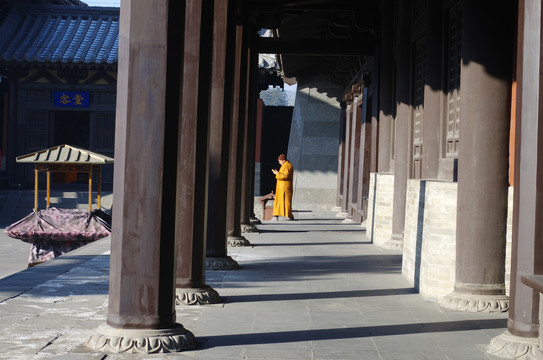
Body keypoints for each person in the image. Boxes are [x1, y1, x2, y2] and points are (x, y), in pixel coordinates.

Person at [271, 154, 294, 221]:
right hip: (282, 188)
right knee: (279, 201)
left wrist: (277, 174)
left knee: (286, 201)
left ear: (283, 160)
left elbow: (285, 176)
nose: (279, 163)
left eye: (280, 161)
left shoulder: (288, 166)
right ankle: (277, 215)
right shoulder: (285, 165)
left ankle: (288, 215)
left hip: (285, 188)